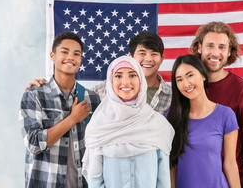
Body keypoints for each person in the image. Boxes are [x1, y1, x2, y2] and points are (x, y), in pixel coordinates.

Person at [19, 31, 101, 188]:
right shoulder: (34, 94)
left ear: (81, 60)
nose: (70, 57)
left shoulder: (92, 98)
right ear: (52, 56)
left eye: (76, 54)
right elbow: (33, 143)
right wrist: (72, 119)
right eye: (64, 52)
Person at [82, 55, 174, 188]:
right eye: (118, 76)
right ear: (110, 81)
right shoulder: (98, 127)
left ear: (141, 80)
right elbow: (95, 181)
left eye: (132, 75)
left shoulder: (158, 125)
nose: (126, 82)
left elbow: (163, 181)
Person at [26, 31, 171, 115]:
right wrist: (47, 86)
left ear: (162, 59)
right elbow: (70, 100)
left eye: (154, 54)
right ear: (130, 57)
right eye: (142, 53)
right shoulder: (104, 90)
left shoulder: (173, 96)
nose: (148, 59)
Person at [190, 22, 243, 188]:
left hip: (233, 182)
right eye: (210, 46)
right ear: (199, 48)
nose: (215, 53)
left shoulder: (242, 89)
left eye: (222, 47)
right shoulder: (188, 88)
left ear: (229, 51)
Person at [167, 54, 240, 188]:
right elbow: (171, 165)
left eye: (190, 75)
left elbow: (230, 163)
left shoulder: (226, 115)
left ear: (203, 75)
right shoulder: (172, 117)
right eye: (179, 79)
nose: (186, 84)